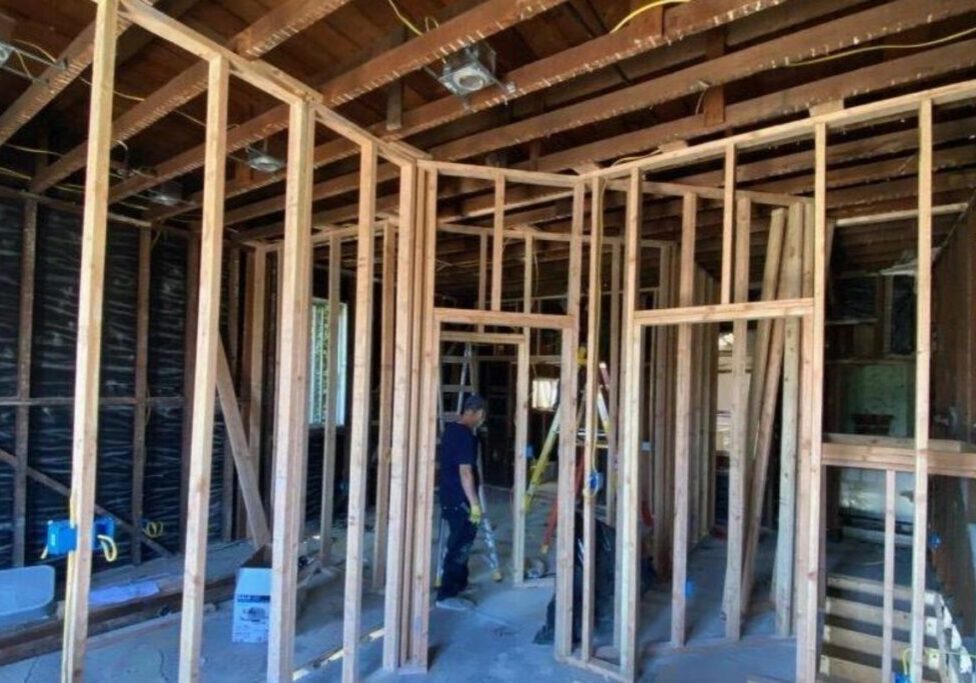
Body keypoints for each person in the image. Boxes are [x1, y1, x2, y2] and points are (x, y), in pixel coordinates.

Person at [435, 394, 486, 611]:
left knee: (463, 541)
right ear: (476, 413)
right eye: (482, 416)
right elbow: (465, 472)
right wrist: (474, 503)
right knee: (459, 544)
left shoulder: (451, 430)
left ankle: (460, 584)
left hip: (449, 495)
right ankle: (446, 595)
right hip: (459, 499)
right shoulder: (465, 436)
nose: (482, 420)